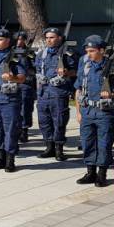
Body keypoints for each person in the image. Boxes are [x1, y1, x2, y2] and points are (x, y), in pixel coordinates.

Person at [74, 35, 114, 187]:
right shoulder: (85, 66)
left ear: (101, 50)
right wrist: (78, 112)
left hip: (104, 112)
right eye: (87, 51)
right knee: (87, 142)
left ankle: (102, 173)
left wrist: (111, 94)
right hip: (87, 110)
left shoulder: (112, 68)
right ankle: (90, 172)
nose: (89, 54)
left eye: (92, 51)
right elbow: (78, 89)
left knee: (104, 143)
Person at [0, 29, 27, 173]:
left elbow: (22, 78)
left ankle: (10, 160)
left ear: (8, 41)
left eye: (0, 39)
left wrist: (12, 77)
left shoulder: (16, 56)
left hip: (9, 100)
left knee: (10, 130)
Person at [36, 27, 77, 161]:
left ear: (59, 38)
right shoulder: (41, 54)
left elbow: (76, 71)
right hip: (43, 92)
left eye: (52, 37)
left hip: (58, 92)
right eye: (47, 38)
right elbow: (36, 70)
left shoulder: (67, 54)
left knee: (59, 121)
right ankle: (49, 147)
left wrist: (66, 72)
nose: (49, 40)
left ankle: (59, 149)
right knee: (44, 121)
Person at [14, 31, 36, 143]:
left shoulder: (30, 52)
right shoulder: (11, 51)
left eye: (22, 39)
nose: (19, 41)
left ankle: (24, 130)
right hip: (12, 83)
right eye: (18, 39)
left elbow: (35, 67)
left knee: (25, 108)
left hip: (25, 84)